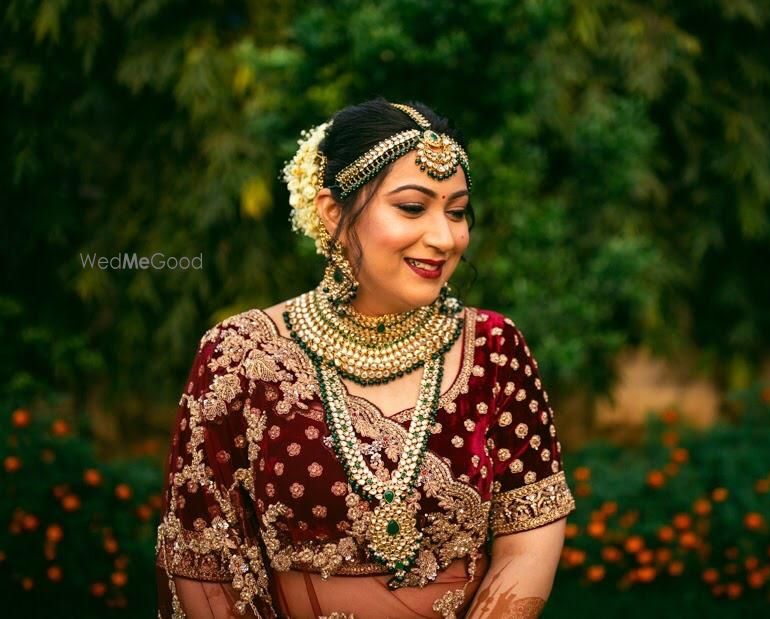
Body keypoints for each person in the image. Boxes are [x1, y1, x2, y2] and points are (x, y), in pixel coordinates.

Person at [154, 99, 576, 618]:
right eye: (413, 208)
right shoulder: (241, 356)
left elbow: (528, 539)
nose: (445, 237)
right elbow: (205, 564)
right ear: (334, 214)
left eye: (458, 211)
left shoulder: (493, 348)